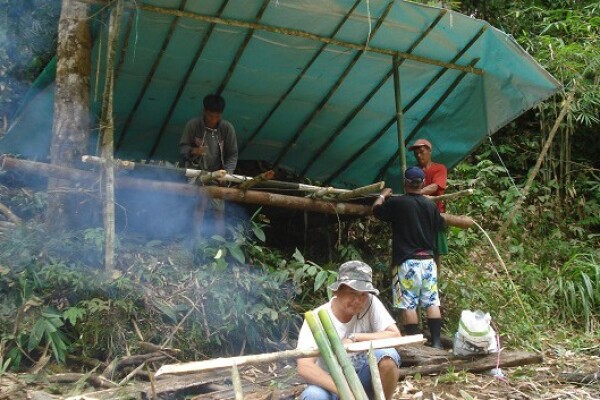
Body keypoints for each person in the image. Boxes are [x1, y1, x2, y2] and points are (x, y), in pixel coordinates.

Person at [296, 261, 402, 400]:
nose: (358, 300)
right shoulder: (317, 318)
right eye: (352, 293)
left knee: (387, 355)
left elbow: (396, 336)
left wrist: (356, 337)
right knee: (313, 396)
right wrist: (346, 392)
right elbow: (304, 366)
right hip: (330, 384)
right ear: (336, 291)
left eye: (363, 294)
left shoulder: (370, 302)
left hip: (362, 379)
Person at [372, 167, 446, 349]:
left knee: (408, 303)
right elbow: (440, 225)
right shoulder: (430, 205)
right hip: (428, 261)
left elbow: (376, 210)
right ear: (422, 184)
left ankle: (416, 345)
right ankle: (436, 343)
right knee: (432, 301)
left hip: (407, 261)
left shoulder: (399, 203)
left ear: (405, 183)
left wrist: (383, 195)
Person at [179, 94, 238, 236]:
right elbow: (182, 149)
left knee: (219, 210)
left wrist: (227, 174)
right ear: (204, 111)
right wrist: (194, 151)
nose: (213, 119)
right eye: (211, 116)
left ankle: (220, 244)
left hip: (219, 174)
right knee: (200, 204)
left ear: (221, 115)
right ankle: (194, 239)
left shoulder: (227, 129)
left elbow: (232, 155)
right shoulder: (193, 125)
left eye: (217, 116)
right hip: (196, 172)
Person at [408, 138, 448, 269]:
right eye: (416, 153)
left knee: (435, 253)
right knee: (416, 251)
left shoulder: (439, 168)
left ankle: (434, 285)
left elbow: (435, 187)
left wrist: (416, 192)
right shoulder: (413, 170)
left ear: (429, 151)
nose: (419, 155)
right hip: (417, 216)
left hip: (434, 215)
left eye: (422, 152)